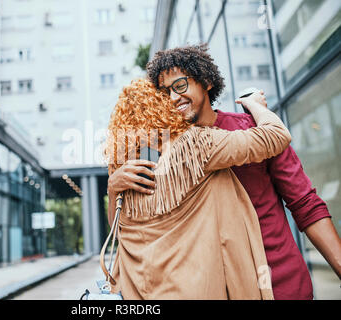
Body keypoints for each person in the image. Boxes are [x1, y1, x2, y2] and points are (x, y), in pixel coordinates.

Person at [107, 44, 341, 300]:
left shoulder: (249, 128)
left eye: (180, 85)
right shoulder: (174, 154)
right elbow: (134, 229)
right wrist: (114, 186)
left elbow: (305, 204)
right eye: (164, 93)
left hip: (280, 284)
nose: (173, 98)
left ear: (206, 81)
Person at [103, 77, 292, 299]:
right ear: (164, 106)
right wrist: (256, 106)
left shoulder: (126, 177)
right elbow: (277, 136)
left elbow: (118, 231)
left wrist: (112, 188)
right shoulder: (196, 147)